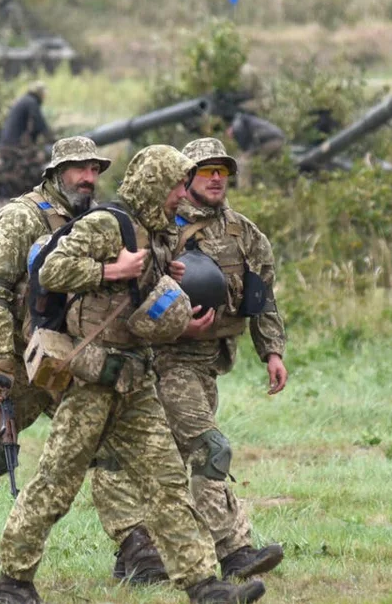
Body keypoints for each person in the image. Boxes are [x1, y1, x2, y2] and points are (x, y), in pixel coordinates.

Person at [0, 145, 267, 604]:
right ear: (158, 185)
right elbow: (50, 269)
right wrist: (109, 269)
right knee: (56, 483)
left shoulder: (157, 232)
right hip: (92, 381)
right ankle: (13, 582)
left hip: (136, 382)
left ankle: (204, 586)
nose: (184, 194)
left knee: (167, 484)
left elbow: (138, 304)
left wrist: (162, 276)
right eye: (179, 184)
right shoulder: (107, 224)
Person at [0, 135, 127, 580]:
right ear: (55, 173)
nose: (89, 178)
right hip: (24, 363)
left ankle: (135, 550)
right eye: (79, 169)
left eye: (95, 170)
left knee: (110, 449)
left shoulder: (101, 220)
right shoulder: (21, 216)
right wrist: (3, 361)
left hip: (78, 359)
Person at [109, 137, 287, 581]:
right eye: (205, 171)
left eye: (221, 172)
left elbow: (262, 297)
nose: (214, 179)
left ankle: (137, 555)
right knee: (210, 448)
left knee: (167, 458)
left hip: (209, 360)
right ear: (184, 179)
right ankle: (234, 549)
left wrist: (273, 351)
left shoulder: (244, 233)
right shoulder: (163, 226)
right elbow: (135, 293)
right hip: (165, 359)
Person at [0, 82, 55, 196]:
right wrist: (53, 140)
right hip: (15, 146)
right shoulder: (31, 102)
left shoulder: (23, 100)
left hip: (5, 144)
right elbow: (39, 124)